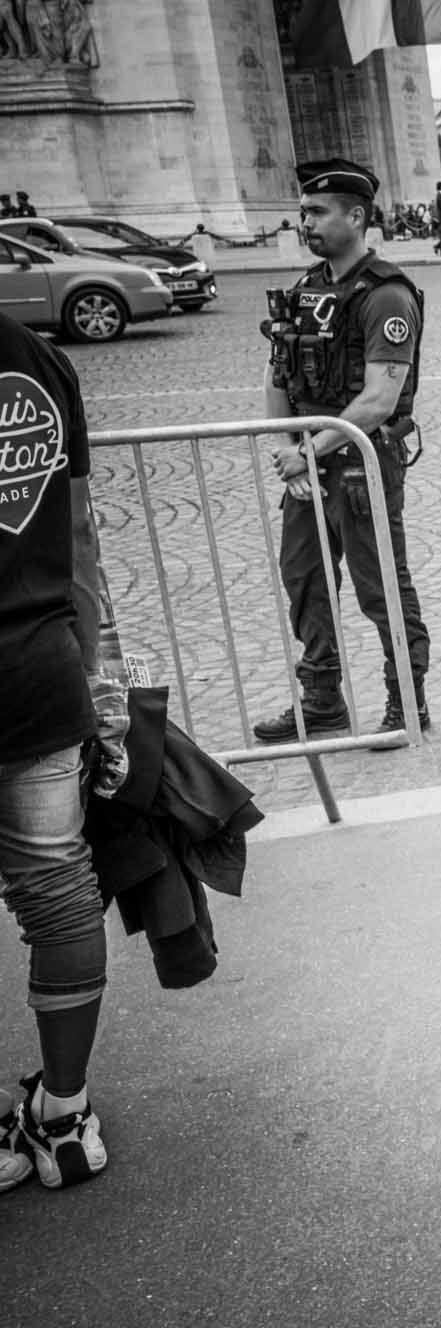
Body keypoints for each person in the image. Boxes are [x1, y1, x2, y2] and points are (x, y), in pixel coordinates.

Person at [0, 307, 126, 1192]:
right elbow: (79, 539)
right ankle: (66, 1115)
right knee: (58, 890)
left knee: (57, 889)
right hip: (36, 670)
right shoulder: (34, 356)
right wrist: (102, 676)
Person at [251, 160, 432, 743]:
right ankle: (321, 700)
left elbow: (380, 398)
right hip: (310, 464)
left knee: (379, 585)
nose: (307, 222)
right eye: (304, 212)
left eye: (319, 212)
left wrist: (310, 448)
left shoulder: (386, 296)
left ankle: (408, 702)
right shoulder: (306, 289)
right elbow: (277, 375)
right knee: (303, 578)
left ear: (356, 217)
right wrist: (287, 449)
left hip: (362, 464)